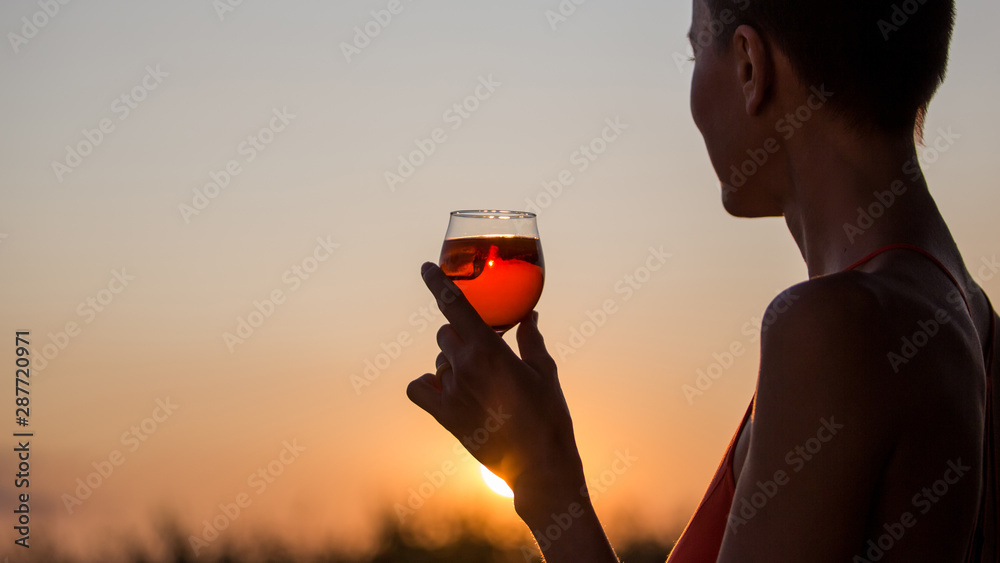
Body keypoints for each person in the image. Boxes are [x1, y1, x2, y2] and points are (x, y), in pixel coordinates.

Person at [406, 0, 998, 560]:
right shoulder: (974, 319)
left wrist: (544, 479)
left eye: (695, 54)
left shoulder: (831, 330)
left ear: (748, 65)